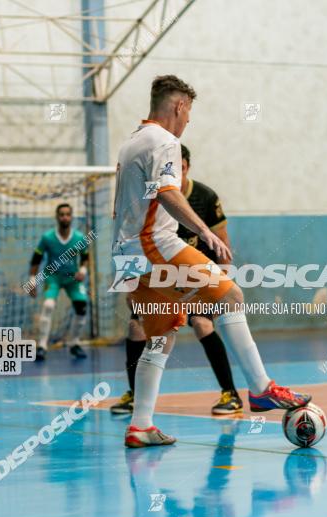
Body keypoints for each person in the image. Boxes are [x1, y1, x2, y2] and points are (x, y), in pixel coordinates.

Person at [111, 74, 310, 448]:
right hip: (154, 244)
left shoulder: (131, 142)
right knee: (231, 296)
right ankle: (261, 388)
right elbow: (168, 193)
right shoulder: (165, 140)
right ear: (179, 106)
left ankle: (140, 425)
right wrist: (206, 232)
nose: (188, 122)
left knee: (162, 338)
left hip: (127, 254)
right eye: (189, 113)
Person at [112, 144, 243, 416]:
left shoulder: (205, 198)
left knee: (202, 323)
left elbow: (224, 246)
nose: (177, 175)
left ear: (187, 168)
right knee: (137, 327)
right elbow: (132, 237)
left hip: (193, 276)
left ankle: (230, 393)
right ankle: (135, 396)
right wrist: (130, 282)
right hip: (158, 276)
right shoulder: (152, 196)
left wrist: (223, 286)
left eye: (181, 169)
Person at [27, 203, 90, 360]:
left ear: (71, 217)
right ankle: (41, 346)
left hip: (72, 278)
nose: (65, 217)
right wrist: (32, 281)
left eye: (68, 214)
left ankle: (74, 343)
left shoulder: (79, 238)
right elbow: (36, 260)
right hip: (52, 277)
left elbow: (85, 257)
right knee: (48, 305)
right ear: (57, 217)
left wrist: (82, 271)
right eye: (61, 214)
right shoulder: (47, 238)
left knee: (81, 307)